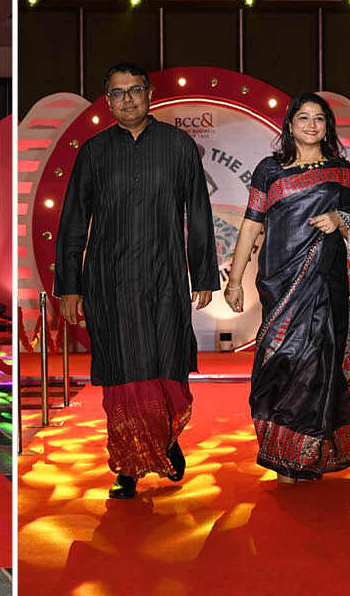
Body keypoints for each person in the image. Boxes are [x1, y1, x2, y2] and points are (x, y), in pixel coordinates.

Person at [55, 63, 219, 499]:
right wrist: (69, 286)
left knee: (167, 367)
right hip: (108, 281)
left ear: (149, 94)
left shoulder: (178, 145)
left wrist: (203, 274)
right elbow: (73, 220)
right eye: (117, 93)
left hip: (164, 274)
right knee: (124, 375)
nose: (127, 99)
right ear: (107, 102)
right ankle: (128, 466)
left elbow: (198, 214)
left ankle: (164, 435)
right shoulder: (92, 152)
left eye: (134, 90)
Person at [224, 93, 350, 484]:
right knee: (277, 363)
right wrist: (233, 279)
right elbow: (250, 224)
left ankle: (303, 456)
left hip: (325, 284)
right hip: (280, 284)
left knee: (316, 365)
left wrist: (339, 218)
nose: (311, 125)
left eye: (319, 118)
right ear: (290, 125)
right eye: (303, 117)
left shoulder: (342, 171)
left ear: (328, 127)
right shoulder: (269, 170)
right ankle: (282, 450)